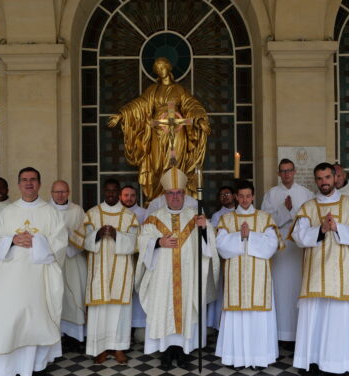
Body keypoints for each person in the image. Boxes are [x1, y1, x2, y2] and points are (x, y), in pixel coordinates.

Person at [0, 167, 66, 376]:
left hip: (38, 276)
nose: (29, 183)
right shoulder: (8, 212)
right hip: (9, 276)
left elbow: (60, 244)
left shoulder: (50, 213)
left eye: (33, 179)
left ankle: (33, 366)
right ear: (18, 185)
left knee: (34, 319)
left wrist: (37, 241)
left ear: (39, 184)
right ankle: (6, 366)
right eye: (24, 180)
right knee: (6, 318)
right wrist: (12, 240)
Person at [288, 162, 349, 376]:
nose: (323, 182)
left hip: (343, 274)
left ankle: (340, 363)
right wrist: (321, 229)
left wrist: (338, 228)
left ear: (335, 178)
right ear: (315, 181)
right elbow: (298, 237)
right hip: (315, 273)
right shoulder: (308, 207)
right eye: (319, 178)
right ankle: (312, 362)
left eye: (327, 177)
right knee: (314, 319)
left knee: (339, 320)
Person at [137, 167, 219, 369]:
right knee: (164, 311)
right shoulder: (154, 218)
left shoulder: (195, 216)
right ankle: (165, 352)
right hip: (162, 277)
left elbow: (209, 246)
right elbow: (142, 240)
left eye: (179, 193)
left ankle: (183, 351)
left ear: (185, 194)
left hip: (187, 275)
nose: (175, 197)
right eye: (171, 193)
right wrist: (158, 243)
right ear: (164, 195)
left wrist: (205, 229)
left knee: (185, 312)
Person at [108, 57, 210, 201]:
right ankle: (158, 199)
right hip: (157, 132)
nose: (160, 71)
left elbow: (191, 105)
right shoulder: (152, 90)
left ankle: (177, 198)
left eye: (162, 67)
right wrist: (121, 114)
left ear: (169, 68)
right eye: (157, 69)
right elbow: (140, 104)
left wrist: (199, 120)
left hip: (178, 131)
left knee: (176, 165)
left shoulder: (179, 90)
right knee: (157, 166)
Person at [215, 180, 282, 369]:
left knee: (258, 315)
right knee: (237, 315)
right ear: (236, 197)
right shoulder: (226, 220)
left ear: (253, 196)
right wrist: (240, 236)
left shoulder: (264, 218)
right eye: (241, 196)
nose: (244, 199)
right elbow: (220, 245)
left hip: (259, 278)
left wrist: (250, 236)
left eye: (248, 196)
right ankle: (236, 357)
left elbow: (272, 245)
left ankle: (260, 357)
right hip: (235, 277)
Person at [70, 179, 138, 364]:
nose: (110, 194)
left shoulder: (128, 215)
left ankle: (118, 348)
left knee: (119, 311)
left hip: (121, 272)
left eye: (114, 191)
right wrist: (96, 235)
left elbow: (136, 243)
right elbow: (81, 241)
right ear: (103, 192)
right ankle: (99, 349)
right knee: (100, 309)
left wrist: (117, 235)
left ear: (118, 193)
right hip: (99, 271)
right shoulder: (92, 214)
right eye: (107, 191)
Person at [261, 159, 314, 348]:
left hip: (298, 248)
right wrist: (285, 211)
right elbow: (266, 220)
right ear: (278, 173)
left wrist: (293, 212)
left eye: (289, 170)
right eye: (282, 171)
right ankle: (281, 333)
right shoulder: (271, 194)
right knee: (280, 289)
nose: (286, 174)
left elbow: (311, 218)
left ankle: (298, 332)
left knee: (297, 289)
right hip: (280, 246)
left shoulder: (306, 193)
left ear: (295, 171)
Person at [49, 180, 87, 352]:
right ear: (51, 193)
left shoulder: (77, 210)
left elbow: (85, 234)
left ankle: (74, 338)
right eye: (57, 192)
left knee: (74, 297)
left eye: (63, 191)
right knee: (54, 299)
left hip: (73, 259)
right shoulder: (46, 211)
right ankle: (55, 338)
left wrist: (69, 236)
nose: (60, 195)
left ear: (69, 192)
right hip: (52, 262)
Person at [119, 185, 148, 337]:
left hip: (138, 259)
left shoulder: (143, 213)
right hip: (120, 259)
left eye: (132, 195)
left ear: (136, 197)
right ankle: (123, 329)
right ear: (120, 197)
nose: (129, 198)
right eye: (126, 195)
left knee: (137, 292)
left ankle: (138, 326)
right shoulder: (117, 213)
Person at [207, 185, 237, 330]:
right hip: (223, 257)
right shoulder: (217, 216)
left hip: (239, 257)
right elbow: (213, 237)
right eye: (222, 195)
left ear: (234, 195)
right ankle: (219, 323)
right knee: (222, 290)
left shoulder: (241, 212)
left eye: (228, 193)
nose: (225, 197)